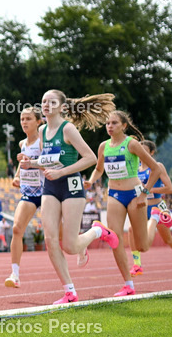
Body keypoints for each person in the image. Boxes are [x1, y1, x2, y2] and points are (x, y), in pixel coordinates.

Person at [19, 90, 116, 304]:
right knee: (50, 240)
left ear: (62, 107)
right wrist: (31, 164)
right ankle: (69, 290)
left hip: (71, 186)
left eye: (51, 102)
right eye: (43, 101)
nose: (46, 105)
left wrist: (62, 172)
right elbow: (47, 160)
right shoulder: (43, 130)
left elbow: (90, 158)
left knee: (70, 246)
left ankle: (97, 231)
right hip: (51, 187)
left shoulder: (68, 129)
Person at [85, 111, 170, 296]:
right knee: (115, 240)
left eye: (114, 123)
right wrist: (91, 181)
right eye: (107, 123)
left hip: (135, 194)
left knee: (142, 246)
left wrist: (145, 193)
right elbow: (99, 169)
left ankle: (154, 218)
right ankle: (128, 284)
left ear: (124, 126)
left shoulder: (132, 144)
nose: (109, 126)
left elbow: (155, 169)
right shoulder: (103, 146)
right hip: (114, 194)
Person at [127, 140, 172, 276]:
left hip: (158, 207)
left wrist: (147, 189)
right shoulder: (135, 169)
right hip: (142, 206)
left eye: (145, 151)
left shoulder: (157, 166)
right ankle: (137, 265)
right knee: (131, 230)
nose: (141, 153)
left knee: (167, 239)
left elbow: (169, 188)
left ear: (152, 153)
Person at [5, 107, 44, 287]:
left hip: (47, 193)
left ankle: (80, 245)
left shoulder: (43, 142)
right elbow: (23, 163)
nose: (24, 122)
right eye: (22, 119)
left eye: (28, 119)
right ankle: (15, 274)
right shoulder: (22, 143)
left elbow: (52, 164)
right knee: (16, 229)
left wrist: (30, 163)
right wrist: (18, 176)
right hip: (29, 193)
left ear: (38, 122)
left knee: (58, 236)